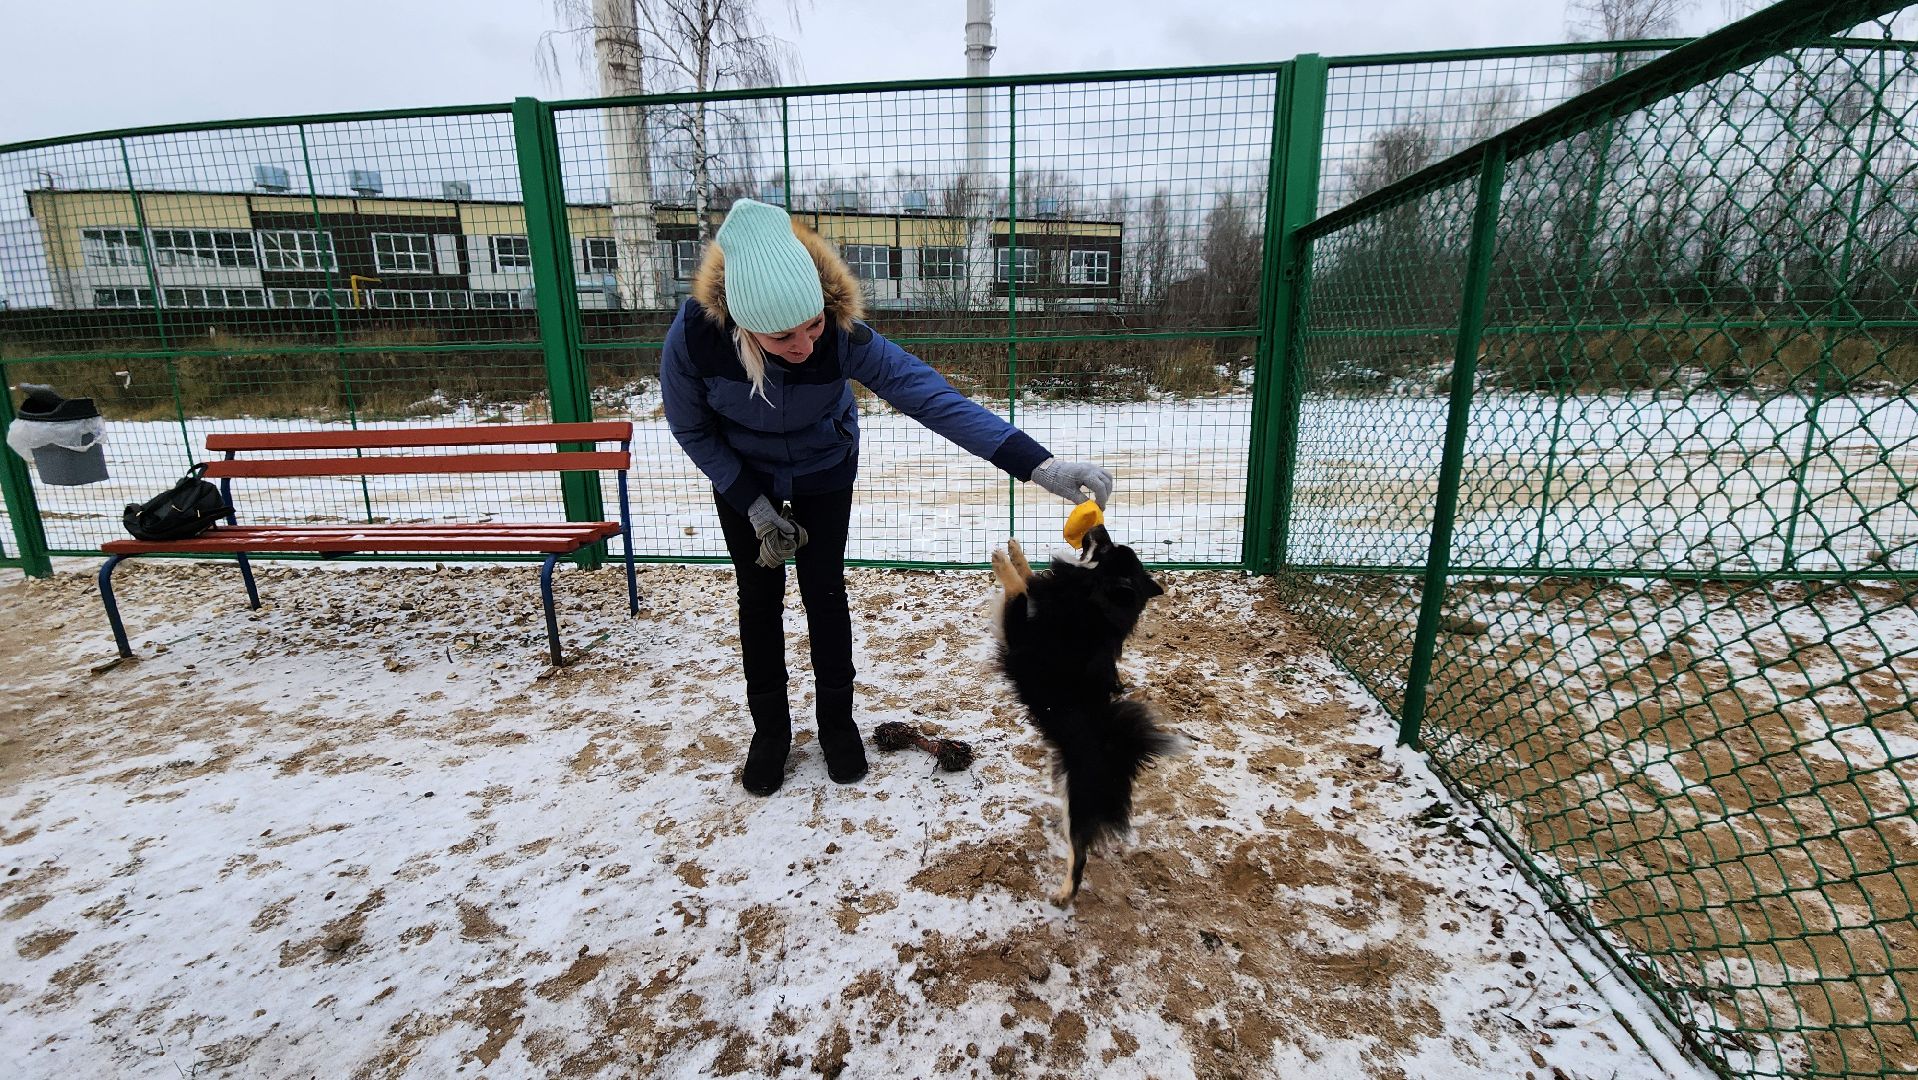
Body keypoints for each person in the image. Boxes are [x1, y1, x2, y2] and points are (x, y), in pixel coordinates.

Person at [661, 199, 1113, 796]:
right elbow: (692, 429)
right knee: (759, 600)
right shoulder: (695, 341)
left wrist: (1040, 464)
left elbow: (929, 396)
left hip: (824, 470)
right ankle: (769, 731)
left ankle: (836, 724)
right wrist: (752, 502)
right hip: (745, 479)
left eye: (813, 324)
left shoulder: (842, 333)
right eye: (782, 336)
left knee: (824, 595)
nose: (804, 344)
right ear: (743, 326)